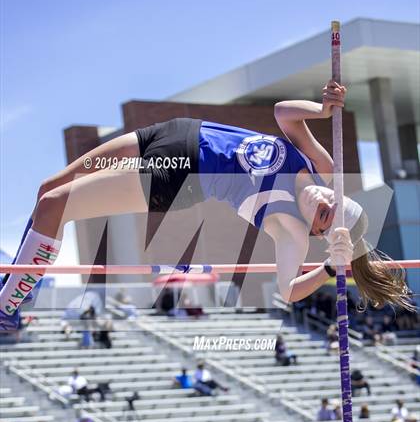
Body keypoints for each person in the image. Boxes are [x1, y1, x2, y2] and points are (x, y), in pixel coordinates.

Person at [1, 80, 413, 332]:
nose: (323, 200)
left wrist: (327, 269)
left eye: (325, 215)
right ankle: (17, 289)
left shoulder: (288, 229)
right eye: (333, 199)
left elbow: (288, 290)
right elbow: (284, 115)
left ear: (317, 231)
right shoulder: (321, 166)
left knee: (56, 205)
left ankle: (8, 305)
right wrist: (322, 109)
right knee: (48, 188)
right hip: (174, 134)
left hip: (181, 175)